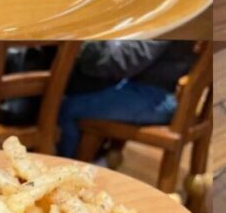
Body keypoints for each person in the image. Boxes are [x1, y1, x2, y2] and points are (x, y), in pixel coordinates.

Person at [56, 41, 195, 159]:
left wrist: (78, 47)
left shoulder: (167, 22)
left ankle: (68, 171)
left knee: (64, 107)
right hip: (147, 87)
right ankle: (99, 160)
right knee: (80, 89)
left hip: (157, 97)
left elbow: (125, 61)